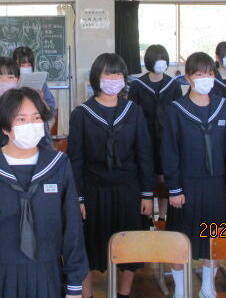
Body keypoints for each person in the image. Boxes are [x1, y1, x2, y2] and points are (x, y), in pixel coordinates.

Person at [0, 87, 88, 298]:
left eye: (36, 118)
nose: (31, 125)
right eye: (21, 119)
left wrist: (74, 284)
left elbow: (72, 227)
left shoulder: (58, 165)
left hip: (47, 273)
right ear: (5, 126)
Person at [67, 53, 153, 298]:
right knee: (88, 246)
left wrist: (147, 194)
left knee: (130, 246)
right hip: (93, 191)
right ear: (97, 77)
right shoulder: (81, 114)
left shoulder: (133, 111)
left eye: (118, 74)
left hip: (128, 191)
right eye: (108, 74)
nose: (114, 79)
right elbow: (75, 160)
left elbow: (144, 155)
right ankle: (87, 295)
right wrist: (78, 198)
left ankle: (123, 293)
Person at [161, 52, 226, 298]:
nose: (205, 78)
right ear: (188, 78)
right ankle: (181, 289)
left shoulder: (224, 106)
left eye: (209, 73)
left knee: (214, 238)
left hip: (216, 185)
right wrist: (174, 188)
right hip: (185, 186)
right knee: (179, 239)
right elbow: (169, 151)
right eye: (199, 74)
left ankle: (208, 287)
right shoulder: (176, 109)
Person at [127, 44, 182, 221]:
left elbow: (178, 111)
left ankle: (163, 217)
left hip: (167, 138)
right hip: (145, 138)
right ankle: (147, 215)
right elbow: (131, 113)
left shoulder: (173, 85)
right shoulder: (137, 85)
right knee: (146, 174)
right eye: (157, 59)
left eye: (164, 59)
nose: (161, 62)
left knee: (165, 176)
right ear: (149, 61)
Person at [12, 46, 56, 114]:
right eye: (22, 65)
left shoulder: (40, 82)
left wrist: (41, 99)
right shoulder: (10, 81)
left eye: (29, 65)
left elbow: (51, 111)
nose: (25, 67)